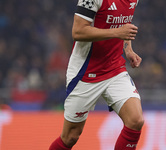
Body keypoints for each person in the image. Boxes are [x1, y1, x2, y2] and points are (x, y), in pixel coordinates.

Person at [49, 0, 144, 149]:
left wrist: (128, 48)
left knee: (136, 120)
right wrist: (117, 32)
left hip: (115, 69)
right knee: (70, 137)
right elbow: (78, 31)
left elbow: (124, 23)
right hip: (85, 73)